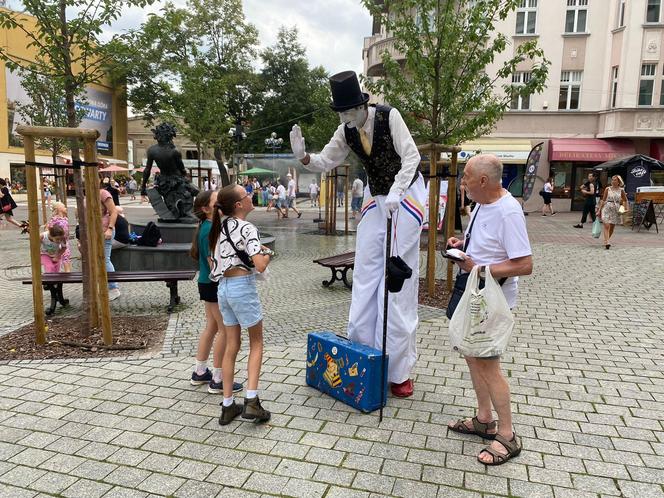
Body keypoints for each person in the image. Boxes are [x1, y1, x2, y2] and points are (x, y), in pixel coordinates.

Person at [290, 70, 426, 397]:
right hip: (375, 196)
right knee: (365, 273)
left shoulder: (390, 117)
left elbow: (412, 156)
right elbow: (326, 160)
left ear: (362, 105)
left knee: (397, 279)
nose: (345, 118)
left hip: (405, 194)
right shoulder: (346, 130)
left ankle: (399, 371)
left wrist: (397, 191)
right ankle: (363, 357)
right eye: (341, 113)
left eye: (349, 111)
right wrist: (303, 157)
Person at [445, 154, 533, 466]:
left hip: (490, 300)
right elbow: (486, 246)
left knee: (488, 366)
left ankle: (507, 436)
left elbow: (524, 264)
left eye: (466, 177)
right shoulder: (482, 203)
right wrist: (464, 246)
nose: (463, 183)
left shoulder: (509, 211)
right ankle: (484, 419)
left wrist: (477, 266)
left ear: (483, 181)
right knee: (473, 357)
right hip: (472, 292)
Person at [209, 184, 273, 425]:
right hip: (241, 287)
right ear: (238, 204)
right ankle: (252, 402)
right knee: (256, 343)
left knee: (231, 345)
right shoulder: (247, 228)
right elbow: (260, 265)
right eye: (247, 195)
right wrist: (268, 254)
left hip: (223, 289)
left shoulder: (221, 227)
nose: (250, 196)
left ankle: (227, 405)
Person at [190, 190, 243, 394]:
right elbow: (215, 262)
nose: (220, 204)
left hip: (206, 282)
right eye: (216, 202)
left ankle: (200, 372)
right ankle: (218, 379)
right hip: (213, 284)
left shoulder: (205, 227)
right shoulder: (210, 230)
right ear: (205, 209)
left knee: (211, 327)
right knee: (223, 330)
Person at [100, 179, 121, 301]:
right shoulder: (87, 193)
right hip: (93, 232)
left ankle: (113, 288)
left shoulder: (103, 193)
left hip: (104, 231)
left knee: (104, 259)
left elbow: (114, 211)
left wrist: (110, 228)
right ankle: (105, 286)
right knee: (99, 260)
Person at [598, 175, 628, 250]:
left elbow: (625, 200)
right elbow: (603, 200)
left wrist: (624, 208)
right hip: (607, 208)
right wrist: (599, 210)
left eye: (615, 180)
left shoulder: (621, 190)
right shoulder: (607, 189)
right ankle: (607, 242)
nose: (613, 181)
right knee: (606, 225)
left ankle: (606, 240)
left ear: (619, 182)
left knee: (612, 227)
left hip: (616, 209)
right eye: (612, 180)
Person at [48, 202, 72, 272]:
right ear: (59, 209)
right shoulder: (54, 219)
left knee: (66, 258)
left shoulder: (65, 218)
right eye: (64, 207)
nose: (66, 208)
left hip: (65, 241)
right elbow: (49, 229)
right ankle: (56, 272)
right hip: (58, 242)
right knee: (59, 257)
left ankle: (68, 272)